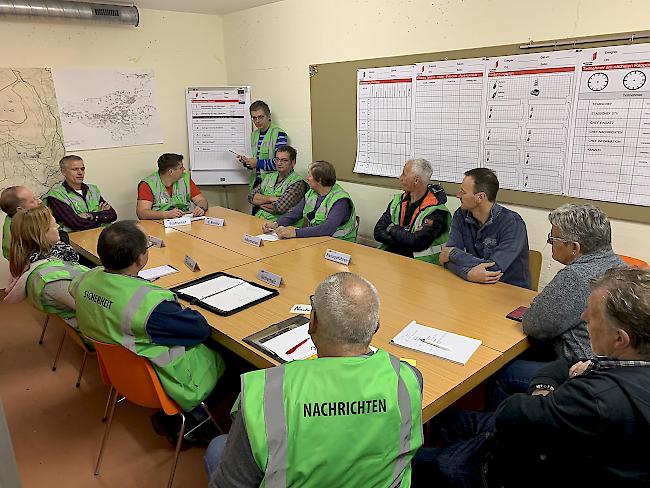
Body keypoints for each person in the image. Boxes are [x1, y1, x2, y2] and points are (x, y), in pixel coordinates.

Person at [413, 267, 650, 487]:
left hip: (515, 463)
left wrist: (545, 395)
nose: (584, 316)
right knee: (447, 419)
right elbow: (564, 364)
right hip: (541, 431)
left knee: (414, 460)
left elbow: (511, 412)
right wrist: (549, 394)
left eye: (594, 314)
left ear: (620, 338)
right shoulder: (629, 359)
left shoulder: (596, 398)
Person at [205, 272, 423, 487]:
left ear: (312, 323)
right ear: (375, 327)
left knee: (217, 447)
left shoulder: (265, 394)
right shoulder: (408, 379)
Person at [70, 221, 225, 416]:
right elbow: (200, 330)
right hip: (164, 382)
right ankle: (197, 420)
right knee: (230, 357)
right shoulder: (150, 307)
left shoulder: (86, 278)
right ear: (140, 258)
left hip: (121, 371)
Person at [488, 204, 625, 407]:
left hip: (585, 374)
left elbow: (535, 324)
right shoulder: (619, 265)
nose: (550, 242)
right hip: (615, 371)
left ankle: (495, 431)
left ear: (575, 248)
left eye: (553, 239)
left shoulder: (575, 277)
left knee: (501, 372)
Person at [439, 168, 530, 288]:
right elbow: (446, 261)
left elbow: (492, 269)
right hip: (475, 286)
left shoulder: (513, 224)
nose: (458, 195)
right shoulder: (460, 215)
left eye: (463, 192)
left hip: (509, 291)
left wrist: (453, 255)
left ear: (480, 197)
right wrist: (469, 274)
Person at [4, 206, 86, 326]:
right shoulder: (51, 280)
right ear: (40, 234)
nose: (58, 226)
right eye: (53, 225)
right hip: (96, 331)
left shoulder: (51, 255)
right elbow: (93, 309)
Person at [374, 158, 451, 264]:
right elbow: (378, 232)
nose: (400, 177)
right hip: (394, 257)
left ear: (416, 180)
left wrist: (392, 228)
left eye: (404, 174)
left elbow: (417, 243)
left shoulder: (437, 212)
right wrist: (404, 239)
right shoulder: (398, 201)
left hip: (421, 264)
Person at [261, 160, 357, 241]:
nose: (307, 178)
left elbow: (328, 228)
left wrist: (295, 232)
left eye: (309, 175)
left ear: (319, 180)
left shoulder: (340, 201)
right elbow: (296, 213)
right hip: (317, 240)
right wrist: (275, 224)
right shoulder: (312, 192)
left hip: (339, 245)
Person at [44, 155, 117, 232]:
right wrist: (101, 216)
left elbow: (112, 215)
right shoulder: (57, 195)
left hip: (102, 234)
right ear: (63, 172)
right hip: (77, 238)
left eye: (82, 169)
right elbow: (76, 223)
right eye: (75, 169)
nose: (80, 173)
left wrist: (89, 215)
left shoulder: (93, 189)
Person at [136, 153, 209, 220]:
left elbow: (202, 200)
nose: (184, 169)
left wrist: (201, 208)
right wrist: (166, 215)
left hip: (184, 223)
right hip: (159, 225)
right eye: (181, 167)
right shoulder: (148, 184)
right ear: (171, 172)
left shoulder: (185, 179)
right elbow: (142, 213)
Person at [236, 100, 288, 190]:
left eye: (260, 117)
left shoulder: (278, 134)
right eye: (254, 118)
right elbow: (254, 161)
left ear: (268, 116)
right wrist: (247, 162)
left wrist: (257, 163)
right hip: (256, 183)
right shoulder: (254, 135)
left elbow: (281, 163)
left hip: (273, 184)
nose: (257, 121)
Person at [248, 145, 308, 222]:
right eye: (277, 159)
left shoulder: (298, 182)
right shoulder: (269, 177)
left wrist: (259, 202)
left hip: (281, 226)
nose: (279, 163)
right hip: (259, 220)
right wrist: (270, 198)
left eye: (284, 160)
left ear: (293, 162)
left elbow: (279, 208)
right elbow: (250, 197)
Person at [1, 185, 51, 259]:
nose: (38, 201)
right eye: (32, 201)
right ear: (20, 209)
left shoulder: (19, 218)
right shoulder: (19, 228)